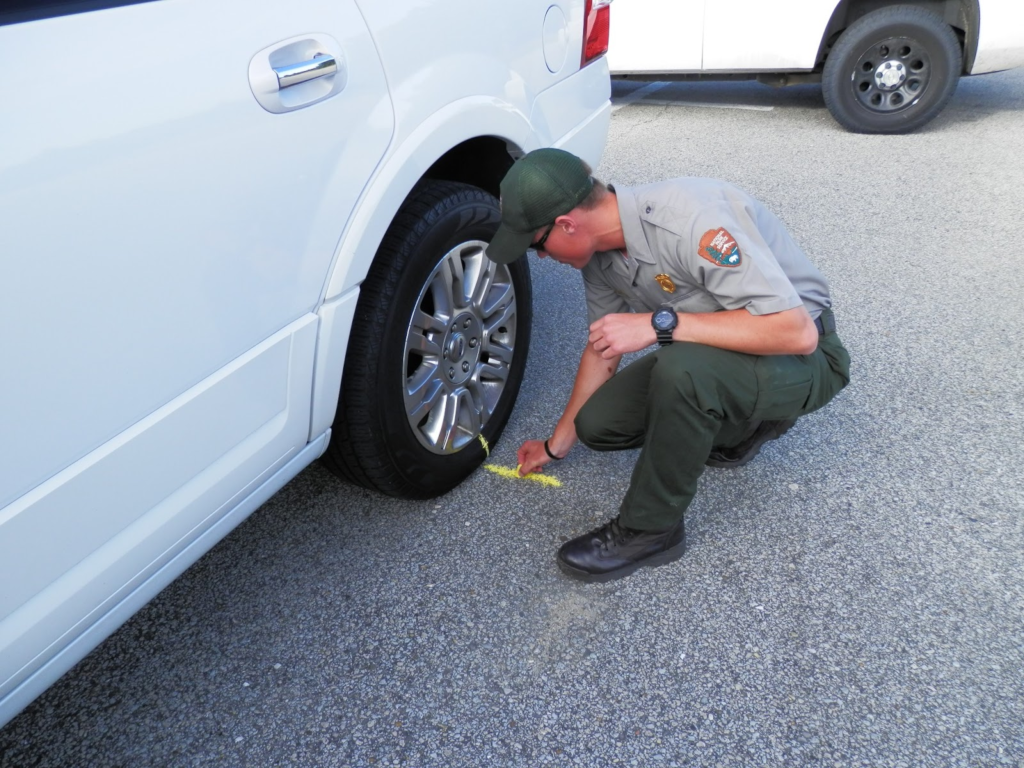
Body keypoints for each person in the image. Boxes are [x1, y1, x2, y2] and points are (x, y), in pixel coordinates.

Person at [485, 148, 851, 583]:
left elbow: (796, 332)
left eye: (536, 244)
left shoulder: (691, 221)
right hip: (726, 356)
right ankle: (751, 424)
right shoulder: (600, 255)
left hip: (805, 356)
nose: (541, 258)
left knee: (682, 371)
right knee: (599, 424)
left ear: (567, 224)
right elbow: (602, 349)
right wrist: (556, 444)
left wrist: (661, 323)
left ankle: (650, 530)